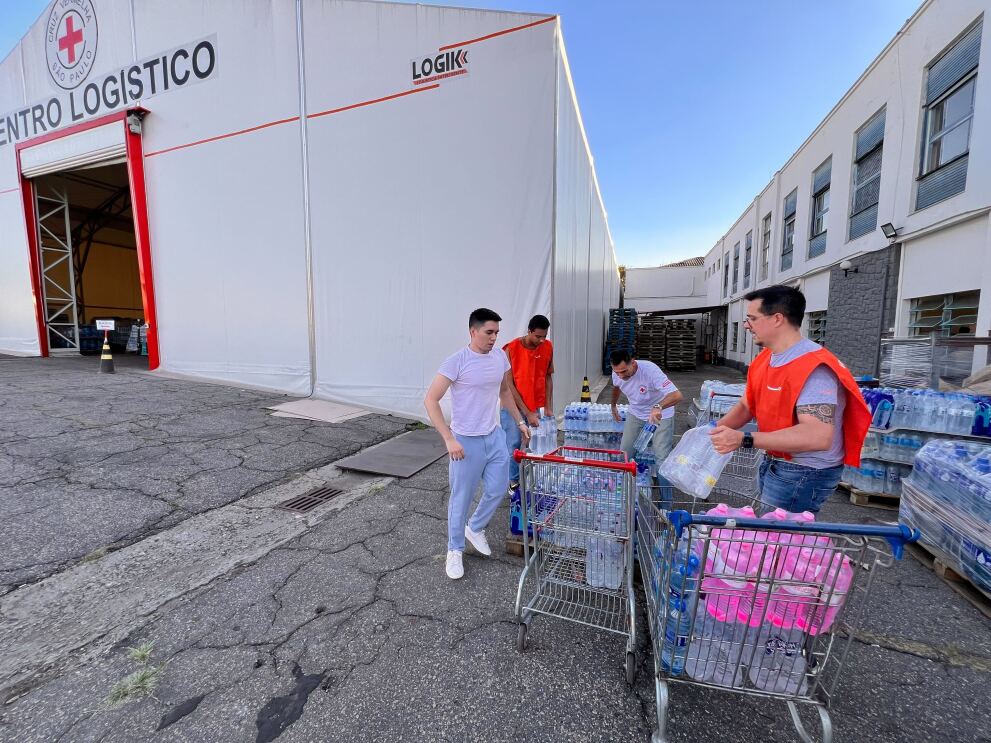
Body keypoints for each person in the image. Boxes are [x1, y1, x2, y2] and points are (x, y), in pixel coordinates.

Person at [709, 285, 871, 513]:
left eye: (752, 319)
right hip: (777, 461)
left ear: (777, 319)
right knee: (768, 535)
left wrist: (744, 439)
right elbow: (747, 405)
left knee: (780, 542)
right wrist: (711, 432)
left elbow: (817, 436)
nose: (746, 326)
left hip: (804, 472)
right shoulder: (766, 359)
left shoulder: (814, 369)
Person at [424, 308, 530, 580]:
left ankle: (476, 527)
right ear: (473, 332)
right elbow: (431, 400)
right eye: (489, 332)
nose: (494, 337)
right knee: (461, 497)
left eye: (497, 332)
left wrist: (519, 422)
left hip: (493, 436)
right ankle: (454, 550)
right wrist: (449, 439)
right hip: (465, 441)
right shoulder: (456, 362)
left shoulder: (500, 357)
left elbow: (504, 392)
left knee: (497, 489)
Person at [501, 314, 554, 490]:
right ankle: (513, 481)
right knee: (514, 443)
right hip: (512, 407)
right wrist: (527, 413)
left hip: (536, 406)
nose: (541, 340)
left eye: (544, 336)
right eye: (537, 336)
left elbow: (547, 377)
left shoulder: (547, 347)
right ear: (529, 331)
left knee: (536, 443)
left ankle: (532, 479)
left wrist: (548, 406)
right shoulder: (511, 349)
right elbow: (508, 386)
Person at [610, 351, 683, 467]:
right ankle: (625, 483)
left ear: (633, 363)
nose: (621, 376)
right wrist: (613, 405)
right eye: (617, 372)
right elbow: (617, 386)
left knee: (661, 456)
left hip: (661, 415)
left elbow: (677, 395)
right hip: (636, 412)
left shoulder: (650, 371)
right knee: (625, 453)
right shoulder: (617, 373)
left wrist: (658, 406)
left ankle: (664, 485)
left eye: (624, 371)